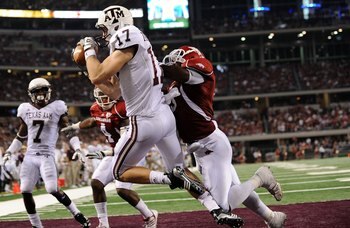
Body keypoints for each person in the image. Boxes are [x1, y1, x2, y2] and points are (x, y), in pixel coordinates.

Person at [74, 5, 243, 227]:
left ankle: (168, 178)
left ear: (115, 23)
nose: (103, 35)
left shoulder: (128, 34)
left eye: (104, 28)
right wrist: (86, 68)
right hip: (164, 119)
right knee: (181, 170)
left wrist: (88, 50)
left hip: (144, 121)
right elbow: (114, 91)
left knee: (119, 171)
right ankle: (217, 210)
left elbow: (98, 75)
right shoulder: (132, 44)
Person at [161, 46, 287, 228]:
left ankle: (261, 178)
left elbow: (177, 72)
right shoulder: (175, 84)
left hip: (211, 145)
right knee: (234, 190)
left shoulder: (200, 72)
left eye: (177, 59)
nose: (173, 63)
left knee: (222, 206)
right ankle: (272, 217)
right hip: (202, 147)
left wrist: (153, 65)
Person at [61, 87, 158, 228]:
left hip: (130, 153)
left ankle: (150, 215)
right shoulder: (96, 108)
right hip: (114, 152)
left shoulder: (123, 109)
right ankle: (103, 224)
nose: (104, 99)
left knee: (122, 190)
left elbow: (125, 144)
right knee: (96, 183)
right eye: (101, 96)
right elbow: (95, 121)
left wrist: (104, 153)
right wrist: (75, 126)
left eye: (106, 96)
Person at [3, 78, 90, 228]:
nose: (40, 93)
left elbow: (68, 130)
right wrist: (9, 152)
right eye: (37, 91)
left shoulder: (57, 107)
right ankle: (36, 225)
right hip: (30, 155)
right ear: (31, 94)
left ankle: (77, 213)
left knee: (52, 189)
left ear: (48, 91)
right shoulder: (25, 109)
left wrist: (77, 147)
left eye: (43, 90)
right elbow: (21, 136)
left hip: (46, 155)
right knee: (25, 190)